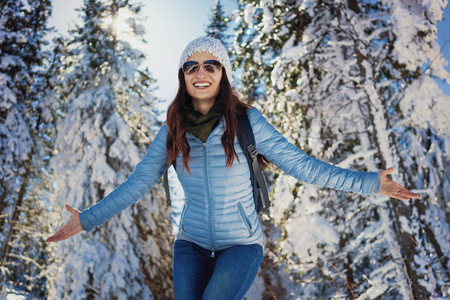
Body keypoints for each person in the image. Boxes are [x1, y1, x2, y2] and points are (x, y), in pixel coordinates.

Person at [47, 37, 421, 299]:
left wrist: (371, 183)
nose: (200, 72)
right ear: (183, 75)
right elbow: (139, 182)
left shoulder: (248, 121)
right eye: (191, 65)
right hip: (190, 244)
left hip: (241, 244)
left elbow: (304, 167)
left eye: (210, 64)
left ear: (223, 72)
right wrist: (88, 218)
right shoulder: (172, 130)